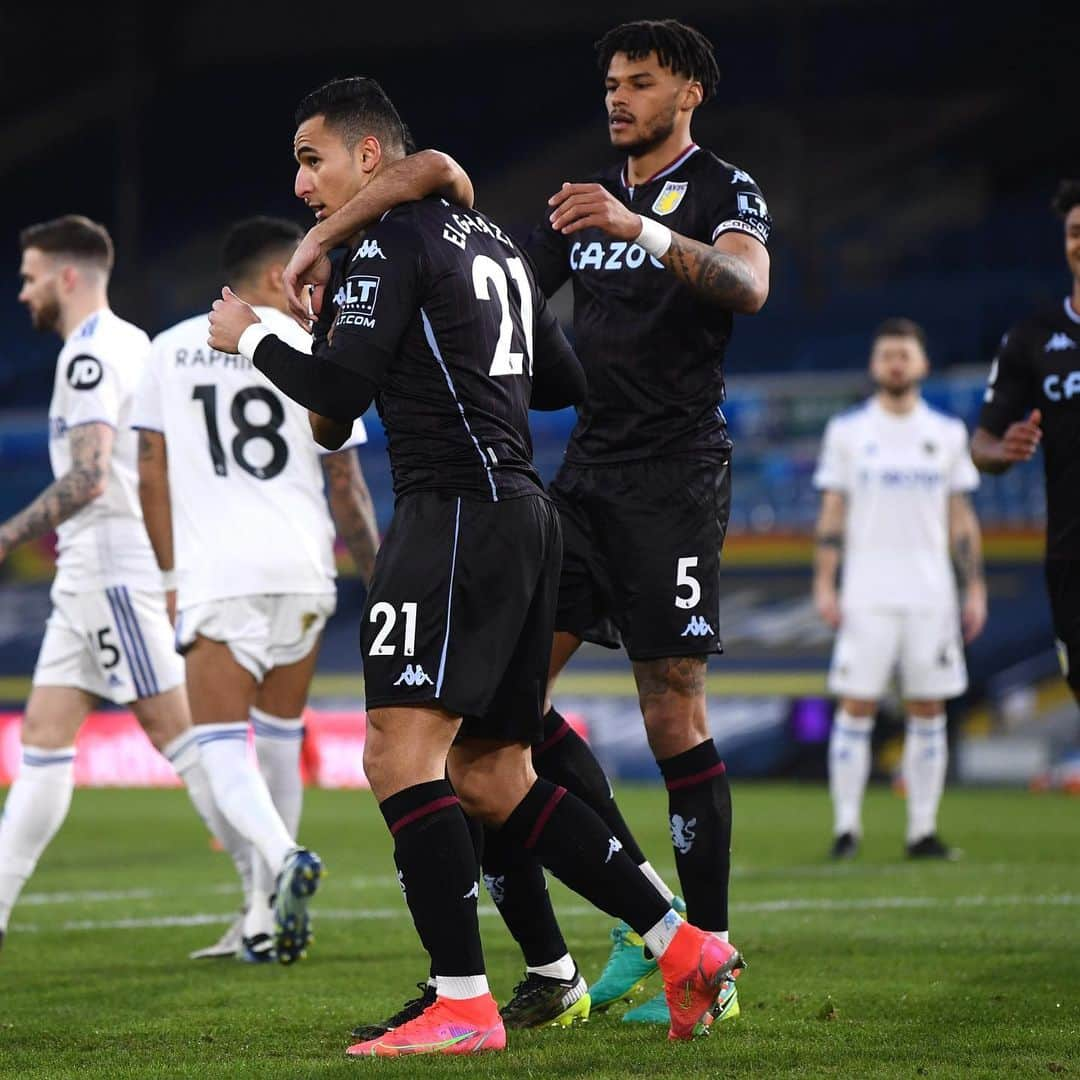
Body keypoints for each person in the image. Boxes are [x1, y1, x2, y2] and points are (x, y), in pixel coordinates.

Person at [208, 75, 744, 1058]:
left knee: (396, 756)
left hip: (450, 510)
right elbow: (563, 381)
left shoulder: (382, 242)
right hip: (524, 512)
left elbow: (331, 398)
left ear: (370, 158)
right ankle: (686, 946)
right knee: (493, 771)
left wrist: (257, 342)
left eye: (312, 158)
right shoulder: (491, 241)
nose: (300, 184)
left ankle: (461, 1000)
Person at [131, 216, 379, 963]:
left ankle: (280, 860)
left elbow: (147, 471)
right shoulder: (313, 348)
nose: (321, 286)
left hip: (220, 572)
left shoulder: (169, 347)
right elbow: (346, 482)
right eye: (312, 273)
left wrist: (171, 577)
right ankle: (261, 919)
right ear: (278, 276)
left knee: (216, 745)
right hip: (304, 569)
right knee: (277, 734)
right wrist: (383, 577)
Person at [0, 216, 238, 948]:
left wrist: (6, 535)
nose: (22, 292)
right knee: (43, 736)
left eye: (31, 275)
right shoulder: (135, 342)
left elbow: (91, 475)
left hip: (107, 563)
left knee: (177, 732)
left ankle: (272, 869)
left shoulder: (89, 356)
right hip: (94, 568)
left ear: (68, 277)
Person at [812, 318, 986, 859]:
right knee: (856, 707)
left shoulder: (948, 433)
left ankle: (922, 831)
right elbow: (831, 512)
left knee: (928, 709)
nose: (895, 362)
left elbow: (961, 517)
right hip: (866, 592)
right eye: (887, 353)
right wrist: (824, 582)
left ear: (922, 365)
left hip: (932, 594)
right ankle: (846, 830)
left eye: (904, 354)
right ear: (874, 364)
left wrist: (973, 586)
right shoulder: (847, 432)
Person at [971, 179, 1080, 707]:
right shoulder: (1031, 338)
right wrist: (1003, 450)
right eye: (1075, 232)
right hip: (1071, 549)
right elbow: (980, 445)